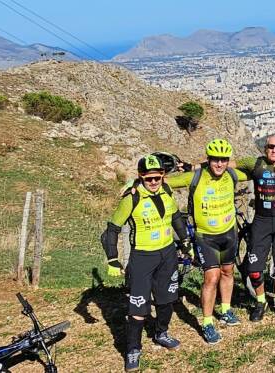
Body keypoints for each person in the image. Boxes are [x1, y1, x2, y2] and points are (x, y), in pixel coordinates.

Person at [100, 154, 192, 372]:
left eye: (157, 178)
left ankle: (161, 333)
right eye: (148, 178)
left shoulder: (166, 190)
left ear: (162, 176)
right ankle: (133, 349)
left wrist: (186, 242)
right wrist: (113, 259)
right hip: (142, 257)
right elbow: (111, 231)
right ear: (141, 177)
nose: (153, 182)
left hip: (167, 253)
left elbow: (176, 217)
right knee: (138, 307)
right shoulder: (132, 197)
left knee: (167, 300)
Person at [164, 139, 248, 344]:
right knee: (211, 277)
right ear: (208, 159)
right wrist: (135, 183)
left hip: (229, 232)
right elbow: (165, 181)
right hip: (205, 236)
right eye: (215, 160)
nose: (219, 164)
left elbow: (255, 167)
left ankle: (226, 310)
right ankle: (208, 322)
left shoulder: (232, 174)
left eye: (223, 160)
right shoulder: (196, 177)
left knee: (228, 272)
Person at [232, 134, 275, 321]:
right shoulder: (255, 163)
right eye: (271, 146)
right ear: (265, 148)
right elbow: (226, 164)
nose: (274, 150)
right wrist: (196, 167)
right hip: (261, 221)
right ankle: (260, 301)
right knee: (254, 268)